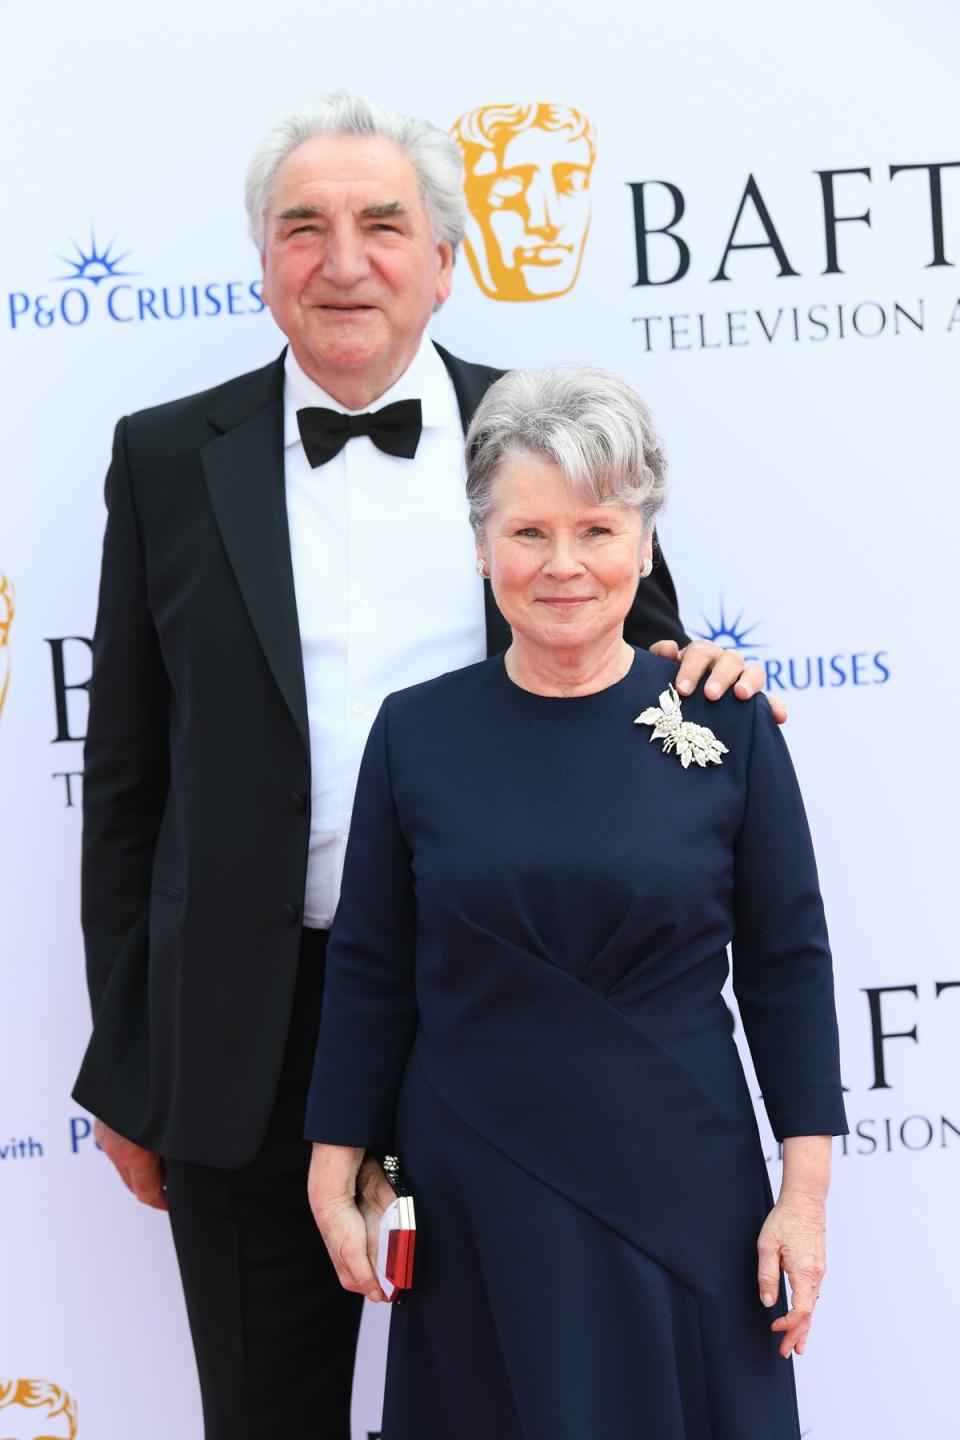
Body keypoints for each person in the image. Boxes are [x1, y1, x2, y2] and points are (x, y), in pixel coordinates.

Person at [73, 93, 774, 1440]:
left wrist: (716, 677)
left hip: (499, 1014)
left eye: (383, 225)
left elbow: (650, 666)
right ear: (263, 262)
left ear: (444, 261)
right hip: (245, 1033)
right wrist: (131, 1052)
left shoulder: (540, 428)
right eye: (305, 229)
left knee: (528, 1402)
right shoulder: (165, 459)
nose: (345, 261)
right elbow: (126, 786)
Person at [305, 367, 846, 1440]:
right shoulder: (414, 735)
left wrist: (804, 1198)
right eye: (528, 532)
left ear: (643, 546)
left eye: (596, 531)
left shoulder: (726, 723)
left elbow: (789, 964)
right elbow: (370, 963)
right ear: (479, 544)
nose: (562, 566)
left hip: (683, 1181)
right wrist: (333, 1171)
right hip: (474, 1183)